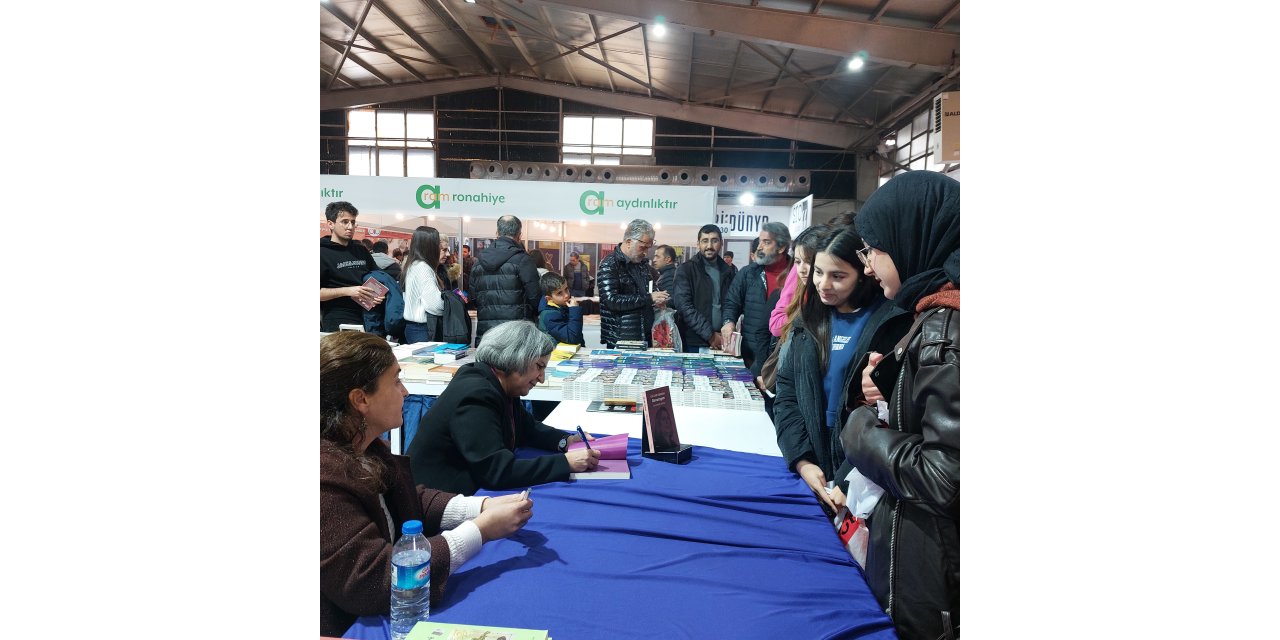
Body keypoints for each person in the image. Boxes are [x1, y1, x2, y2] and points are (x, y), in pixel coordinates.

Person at [320, 332, 533, 637]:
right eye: (396, 381)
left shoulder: (364, 447)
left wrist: (481, 506)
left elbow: (409, 500)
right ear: (360, 399)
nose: (405, 392)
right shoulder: (324, 480)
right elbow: (373, 579)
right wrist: (480, 530)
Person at [840, 171, 960, 640]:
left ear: (913, 237)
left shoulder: (947, 329)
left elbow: (945, 477)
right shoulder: (931, 314)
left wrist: (861, 432)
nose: (868, 267)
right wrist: (891, 392)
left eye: (873, 249)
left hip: (937, 588)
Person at [772, 226, 888, 518]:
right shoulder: (807, 321)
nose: (823, 284)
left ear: (861, 274)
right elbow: (786, 395)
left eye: (837, 276)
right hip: (811, 453)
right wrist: (802, 460)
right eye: (818, 272)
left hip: (862, 469)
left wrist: (851, 476)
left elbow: (887, 416)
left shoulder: (885, 322)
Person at [407, 320, 601, 495]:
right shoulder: (476, 395)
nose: (542, 378)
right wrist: (565, 463)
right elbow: (497, 470)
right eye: (539, 366)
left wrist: (565, 440)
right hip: (435, 500)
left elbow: (527, 427)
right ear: (514, 359)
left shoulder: (498, 385)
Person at [720, 222, 792, 376]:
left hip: (786, 353)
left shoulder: (797, 274)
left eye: (766, 242)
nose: (759, 247)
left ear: (781, 247)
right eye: (760, 241)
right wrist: (728, 321)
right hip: (751, 353)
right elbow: (732, 302)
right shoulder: (748, 273)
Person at [597, 219, 668, 348]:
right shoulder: (610, 264)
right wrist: (649, 298)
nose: (645, 252)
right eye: (643, 247)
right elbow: (611, 301)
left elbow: (649, 288)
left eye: (648, 248)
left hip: (644, 334)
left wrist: (657, 298)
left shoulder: (642, 264)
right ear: (629, 242)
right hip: (621, 338)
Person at [471, 215, 541, 345]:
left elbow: (474, 298)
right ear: (519, 235)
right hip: (517, 334)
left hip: (487, 334)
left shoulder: (478, 262)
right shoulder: (523, 260)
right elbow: (535, 297)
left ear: (497, 233)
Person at [320, 201, 384, 331]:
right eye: (345, 222)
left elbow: (376, 275)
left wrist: (378, 294)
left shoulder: (361, 250)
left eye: (353, 222)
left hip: (370, 317)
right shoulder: (321, 252)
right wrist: (347, 291)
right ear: (330, 224)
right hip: (338, 319)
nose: (350, 227)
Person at [672, 224, 734, 352]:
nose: (709, 246)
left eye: (714, 241)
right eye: (705, 241)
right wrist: (710, 335)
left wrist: (728, 325)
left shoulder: (728, 271)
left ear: (721, 243)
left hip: (723, 340)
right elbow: (684, 307)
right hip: (695, 342)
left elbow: (732, 303)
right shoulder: (686, 270)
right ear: (698, 244)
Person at [400, 226, 447, 344]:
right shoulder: (423, 268)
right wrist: (449, 303)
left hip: (414, 328)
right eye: (438, 243)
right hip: (422, 329)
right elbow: (434, 305)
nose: (439, 247)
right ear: (430, 245)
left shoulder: (413, 265)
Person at [537, 272, 584, 346]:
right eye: (559, 293)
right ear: (549, 298)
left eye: (566, 289)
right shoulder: (549, 315)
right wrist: (574, 310)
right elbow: (572, 338)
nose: (566, 295)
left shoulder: (561, 306)